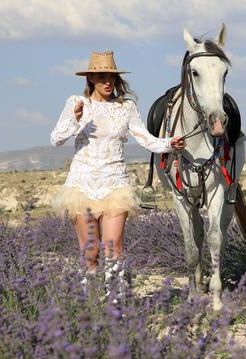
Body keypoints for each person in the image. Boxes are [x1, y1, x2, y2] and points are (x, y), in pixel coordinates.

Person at [49, 50, 184, 296]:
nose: (107, 82)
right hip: (82, 185)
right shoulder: (77, 103)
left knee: (114, 248)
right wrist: (75, 121)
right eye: (101, 77)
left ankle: (116, 306)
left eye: (111, 77)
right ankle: (88, 303)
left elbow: (144, 138)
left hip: (114, 184)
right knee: (90, 252)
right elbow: (56, 139)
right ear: (91, 78)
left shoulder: (126, 107)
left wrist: (168, 144)